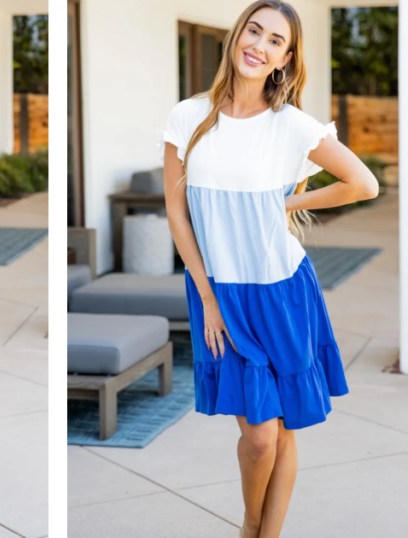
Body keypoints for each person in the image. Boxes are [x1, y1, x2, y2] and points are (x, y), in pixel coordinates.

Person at [162, 1, 379, 536]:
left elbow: (363, 184)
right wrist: (208, 298)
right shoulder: (189, 116)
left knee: (282, 432)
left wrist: (280, 206)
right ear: (236, 37)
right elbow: (175, 211)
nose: (259, 45)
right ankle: (250, 524)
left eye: (275, 40)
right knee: (259, 434)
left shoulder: (290, 125)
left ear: (286, 57)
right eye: (253, 31)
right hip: (222, 295)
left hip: (283, 290)